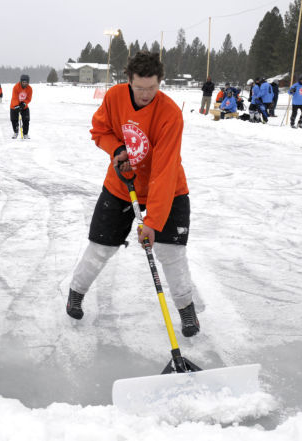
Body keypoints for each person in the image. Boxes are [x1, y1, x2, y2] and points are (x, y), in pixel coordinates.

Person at [66, 51, 202, 338]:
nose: (145, 94)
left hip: (168, 190)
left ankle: (187, 310)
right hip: (120, 185)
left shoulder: (170, 115)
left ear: (160, 82)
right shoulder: (115, 97)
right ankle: (76, 292)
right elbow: (99, 130)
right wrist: (116, 149)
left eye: (151, 88)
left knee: (170, 252)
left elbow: (164, 171)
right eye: (139, 88)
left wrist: (152, 221)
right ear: (128, 81)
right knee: (100, 247)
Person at [10, 74, 32, 139]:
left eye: (26, 82)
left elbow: (28, 98)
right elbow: (14, 98)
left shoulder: (29, 89)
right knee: (14, 120)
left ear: (28, 82)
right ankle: (16, 132)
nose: (24, 83)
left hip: (24, 107)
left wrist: (24, 103)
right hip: (14, 106)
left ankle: (25, 133)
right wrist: (16, 106)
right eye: (23, 82)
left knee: (26, 120)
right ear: (21, 81)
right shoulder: (16, 87)